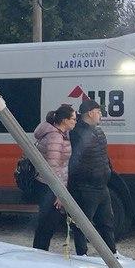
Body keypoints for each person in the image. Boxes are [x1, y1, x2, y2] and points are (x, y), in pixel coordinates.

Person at [68, 98, 117, 255]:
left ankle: (112, 253)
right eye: (98, 112)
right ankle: (82, 254)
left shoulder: (98, 131)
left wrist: (108, 170)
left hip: (102, 185)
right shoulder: (77, 133)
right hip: (86, 187)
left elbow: (104, 155)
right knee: (83, 223)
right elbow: (74, 160)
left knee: (107, 221)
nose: (101, 114)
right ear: (90, 113)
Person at [32, 105, 76, 251]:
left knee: (47, 222)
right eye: (73, 119)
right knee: (48, 222)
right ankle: (40, 253)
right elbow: (53, 167)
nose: (75, 122)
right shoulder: (55, 137)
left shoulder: (60, 133)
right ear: (64, 120)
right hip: (50, 187)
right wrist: (59, 193)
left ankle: (40, 252)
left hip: (49, 185)